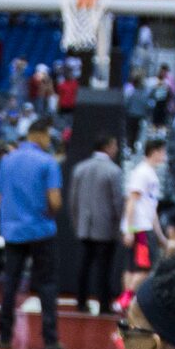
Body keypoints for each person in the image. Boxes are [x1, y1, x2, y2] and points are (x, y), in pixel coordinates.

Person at [0, 114, 64, 349]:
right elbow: (54, 200)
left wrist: (12, 214)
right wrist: (48, 212)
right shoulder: (48, 162)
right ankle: (50, 339)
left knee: (10, 284)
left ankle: (4, 337)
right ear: (40, 134)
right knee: (46, 285)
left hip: (13, 232)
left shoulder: (8, 160)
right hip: (42, 231)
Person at [68, 131, 123, 314]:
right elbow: (117, 202)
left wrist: (77, 223)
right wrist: (120, 226)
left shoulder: (80, 168)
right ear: (107, 147)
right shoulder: (114, 171)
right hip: (106, 228)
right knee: (104, 268)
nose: (116, 149)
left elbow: (73, 200)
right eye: (114, 145)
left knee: (84, 265)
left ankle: (81, 302)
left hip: (84, 226)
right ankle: (104, 305)